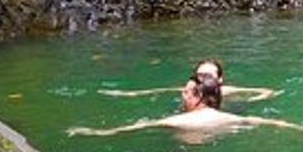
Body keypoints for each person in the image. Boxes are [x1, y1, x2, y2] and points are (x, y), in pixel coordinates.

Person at [69, 77, 303, 137]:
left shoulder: (178, 121)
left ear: (198, 96)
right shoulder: (226, 117)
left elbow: (131, 128)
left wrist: (93, 132)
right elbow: (269, 123)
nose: (182, 93)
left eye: (186, 91)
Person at [99, 58, 281, 103]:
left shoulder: (227, 92)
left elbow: (268, 91)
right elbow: (160, 91)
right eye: (200, 75)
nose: (203, 79)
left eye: (208, 76)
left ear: (220, 79)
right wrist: (127, 94)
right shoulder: (191, 90)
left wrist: (251, 100)